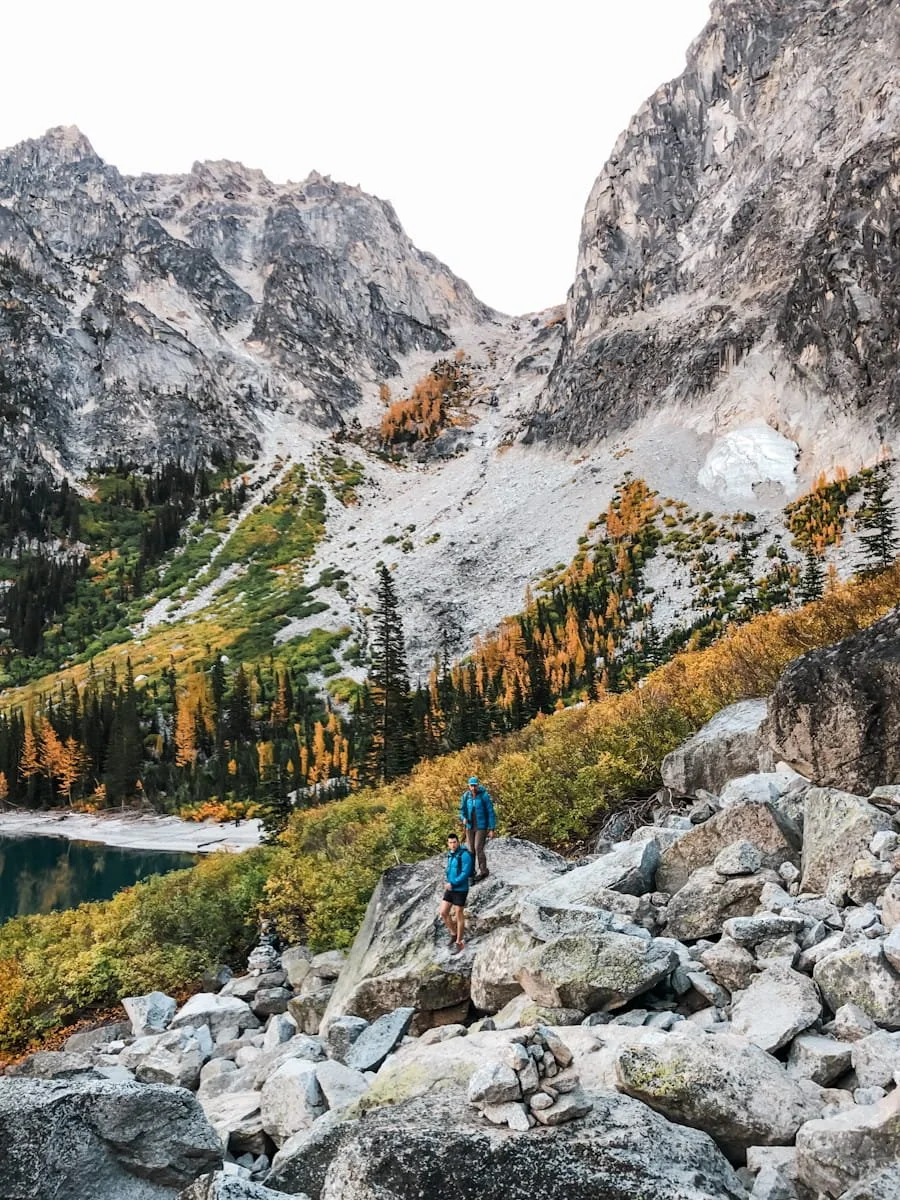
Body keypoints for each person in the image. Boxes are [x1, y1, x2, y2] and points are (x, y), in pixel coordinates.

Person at [439, 833, 473, 951]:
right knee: (443, 912)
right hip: (450, 888)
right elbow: (450, 870)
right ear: (448, 844)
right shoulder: (450, 855)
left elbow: (466, 873)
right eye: (450, 842)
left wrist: (453, 883)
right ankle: (453, 934)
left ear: (458, 842)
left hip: (460, 889)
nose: (452, 845)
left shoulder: (464, 855)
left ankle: (459, 941)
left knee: (459, 913)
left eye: (454, 842)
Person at [459, 775, 496, 882]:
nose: (473, 788)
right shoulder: (466, 796)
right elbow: (461, 811)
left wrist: (492, 829)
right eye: (471, 786)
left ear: (478, 785)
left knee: (478, 848)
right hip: (469, 826)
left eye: (475, 785)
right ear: (468, 786)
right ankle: (471, 872)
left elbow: (490, 812)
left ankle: (483, 871)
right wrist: (463, 818)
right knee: (470, 850)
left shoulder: (484, 796)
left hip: (481, 826)